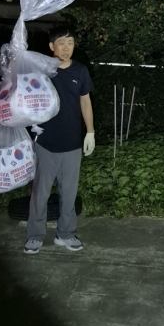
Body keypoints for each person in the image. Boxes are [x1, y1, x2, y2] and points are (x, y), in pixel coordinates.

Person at [23, 27, 95, 255]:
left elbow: (85, 102)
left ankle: (65, 234)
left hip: (72, 142)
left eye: (70, 43)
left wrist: (90, 132)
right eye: (61, 43)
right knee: (40, 193)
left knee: (69, 192)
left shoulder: (81, 71)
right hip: (46, 141)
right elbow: (25, 96)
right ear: (51, 46)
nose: (66, 47)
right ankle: (34, 236)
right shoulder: (42, 71)